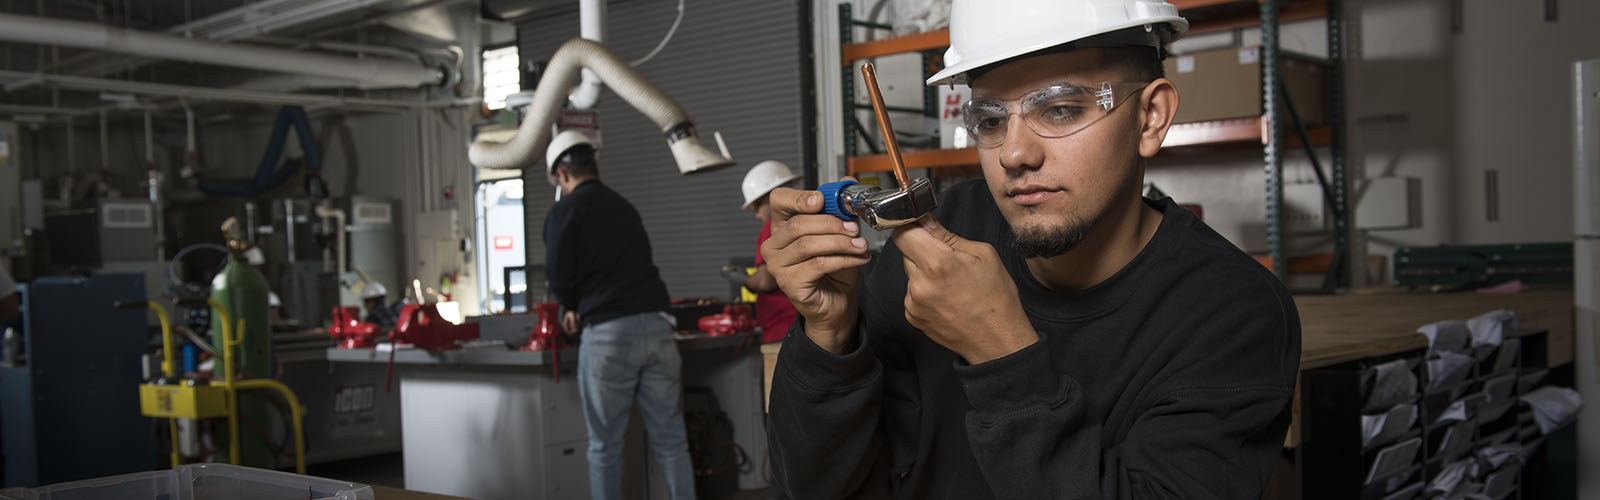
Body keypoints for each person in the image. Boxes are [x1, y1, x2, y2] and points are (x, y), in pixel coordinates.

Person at [762, 0, 1302, 497]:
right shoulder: (947, 233)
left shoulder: (1234, 316)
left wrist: (1003, 356)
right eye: (991, 120)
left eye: (1061, 109)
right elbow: (817, 487)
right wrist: (830, 340)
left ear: (1150, 117)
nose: (1015, 153)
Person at [541, 130, 696, 500]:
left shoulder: (565, 210)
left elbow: (559, 275)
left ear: (562, 174)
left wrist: (570, 305)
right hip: (658, 328)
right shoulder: (624, 207)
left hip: (609, 334)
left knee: (605, 446)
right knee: (673, 441)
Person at [722, 161, 802, 344]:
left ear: (771, 197)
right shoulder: (805, 221)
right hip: (807, 325)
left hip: (782, 329)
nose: (757, 215)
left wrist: (742, 279)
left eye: (756, 207)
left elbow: (766, 281)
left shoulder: (772, 227)